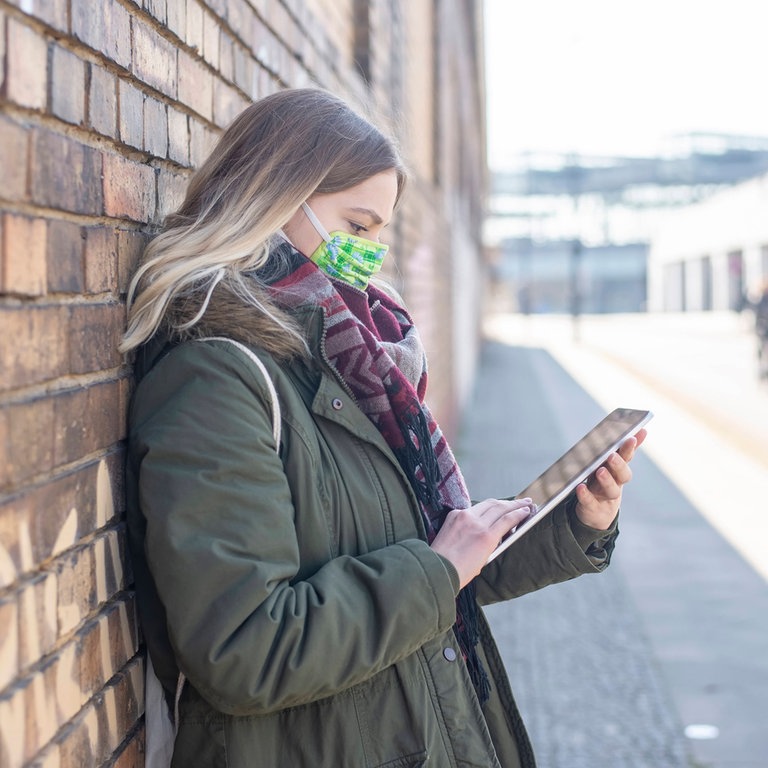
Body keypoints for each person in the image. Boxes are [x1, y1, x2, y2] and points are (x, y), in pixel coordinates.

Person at [121, 88, 646, 768]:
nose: (368, 256)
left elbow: (434, 565)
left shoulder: (352, 361)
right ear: (277, 198)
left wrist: (575, 520)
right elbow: (244, 650)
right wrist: (436, 568)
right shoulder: (217, 381)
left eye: (379, 234)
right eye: (357, 225)